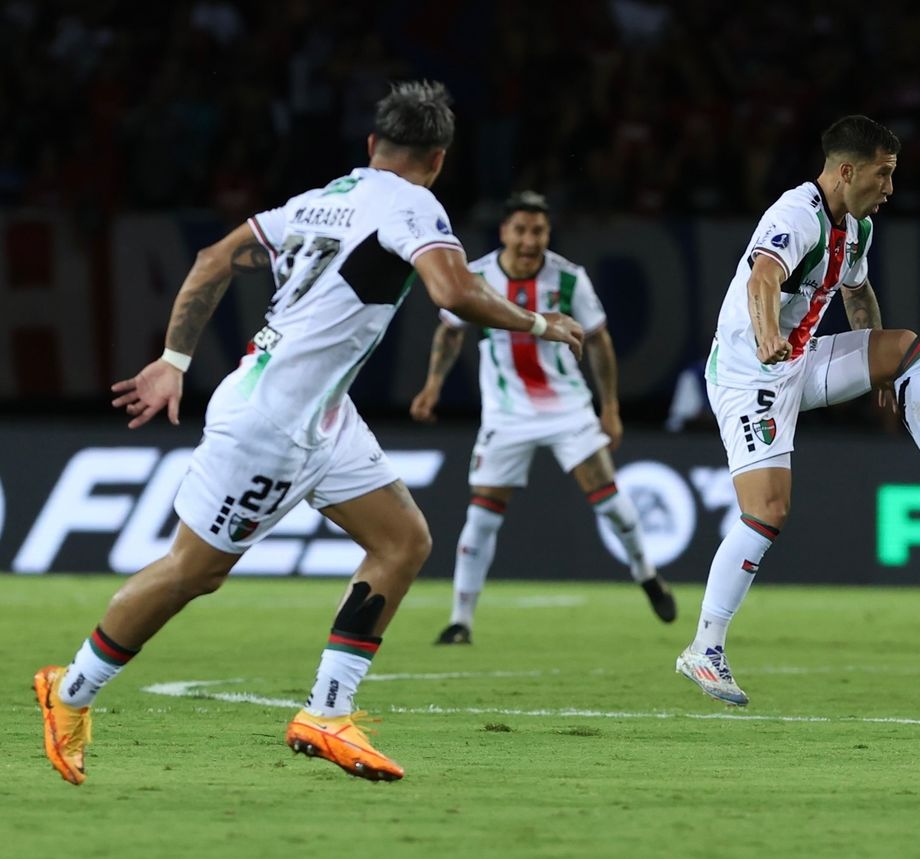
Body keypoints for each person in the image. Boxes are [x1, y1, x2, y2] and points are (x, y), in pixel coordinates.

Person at [33, 81, 584, 785]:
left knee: (403, 540)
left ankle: (326, 711)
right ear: (438, 159)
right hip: (272, 422)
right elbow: (452, 292)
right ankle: (70, 689)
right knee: (193, 572)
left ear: (371, 146)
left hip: (322, 413)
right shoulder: (413, 203)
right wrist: (540, 322)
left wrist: (174, 362)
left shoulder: (319, 200)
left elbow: (211, 261)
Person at [677, 115, 920, 706]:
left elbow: (856, 291)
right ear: (847, 171)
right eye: (883, 173)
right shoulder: (795, 214)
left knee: (910, 351)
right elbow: (763, 276)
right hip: (750, 374)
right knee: (767, 513)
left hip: (800, 360)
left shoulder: (856, 228)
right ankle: (704, 648)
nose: (891, 187)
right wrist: (767, 335)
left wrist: (875, 359)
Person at [410, 190, 676, 645]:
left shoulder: (570, 280)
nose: (529, 240)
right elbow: (451, 332)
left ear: (547, 233)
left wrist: (609, 407)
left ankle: (647, 574)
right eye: (521, 230)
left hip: (567, 408)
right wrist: (433, 385)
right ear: (504, 232)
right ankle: (460, 621)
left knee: (610, 501)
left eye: (538, 230)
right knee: (482, 517)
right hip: (506, 413)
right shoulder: (474, 276)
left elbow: (598, 341)